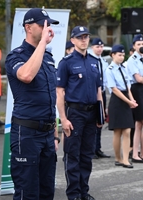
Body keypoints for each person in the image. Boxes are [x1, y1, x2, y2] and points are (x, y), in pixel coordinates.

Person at [5, 8, 59, 200]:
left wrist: (55, 135)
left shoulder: (47, 57)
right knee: (27, 192)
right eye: (43, 25)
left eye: (49, 25)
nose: (48, 29)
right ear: (28, 27)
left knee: (46, 192)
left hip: (47, 135)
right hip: (26, 134)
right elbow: (26, 75)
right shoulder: (16, 56)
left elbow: (51, 98)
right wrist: (43, 43)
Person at [57, 26, 101, 200]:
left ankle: (84, 192)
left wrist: (100, 114)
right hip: (74, 113)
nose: (84, 40)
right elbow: (59, 93)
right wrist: (63, 119)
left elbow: (99, 91)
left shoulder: (94, 62)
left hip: (91, 114)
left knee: (86, 155)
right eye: (80, 37)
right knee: (72, 155)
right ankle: (73, 194)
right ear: (73, 40)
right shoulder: (66, 62)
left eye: (86, 37)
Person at [105, 44, 138, 168]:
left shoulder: (124, 68)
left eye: (123, 55)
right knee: (117, 131)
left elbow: (128, 86)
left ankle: (125, 159)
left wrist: (132, 99)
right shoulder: (110, 70)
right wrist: (128, 102)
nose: (122, 57)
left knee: (128, 130)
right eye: (119, 55)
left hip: (126, 99)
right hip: (117, 101)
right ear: (113, 55)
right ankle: (118, 157)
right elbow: (114, 89)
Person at [127, 34, 143, 163]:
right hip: (136, 90)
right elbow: (139, 79)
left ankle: (141, 152)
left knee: (141, 124)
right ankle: (136, 153)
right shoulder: (132, 60)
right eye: (139, 45)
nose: (141, 47)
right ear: (134, 46)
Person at [88, 38, 111, 159]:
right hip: (93, 94)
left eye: (101, 47)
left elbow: (106, 79)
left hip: (101, 92)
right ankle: (91, 149)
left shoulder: (103, 61)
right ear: (92, 47)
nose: (100, 49)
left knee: (100, 121)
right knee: (92, 122)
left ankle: (98, 148)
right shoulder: (90, 60)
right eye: (97, 46)